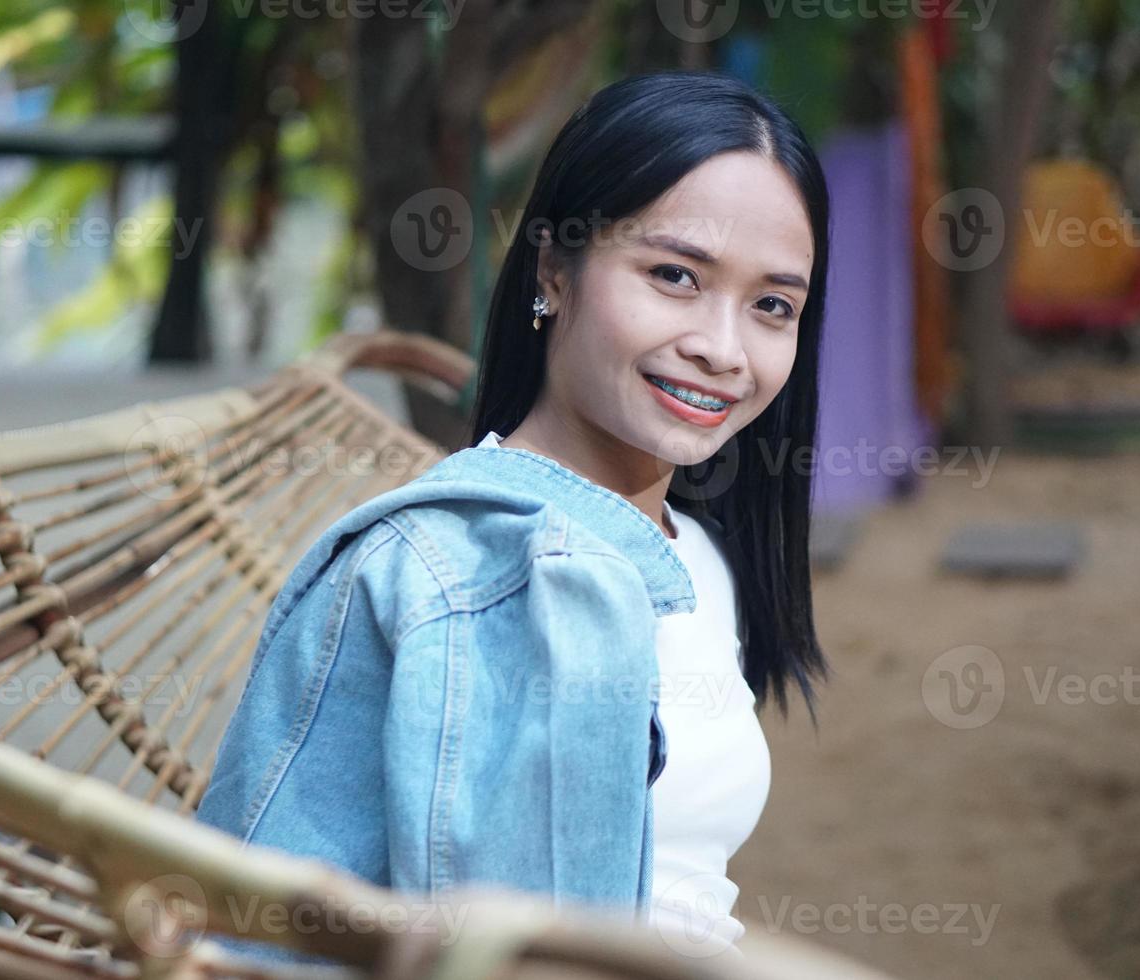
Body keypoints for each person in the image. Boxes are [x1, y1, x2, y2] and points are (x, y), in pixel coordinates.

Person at [194, 67, 832, 970]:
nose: (723, 349)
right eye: (674, 275)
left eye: (772, 304)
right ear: (553, 270)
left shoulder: (689, 549)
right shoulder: (512, 579)